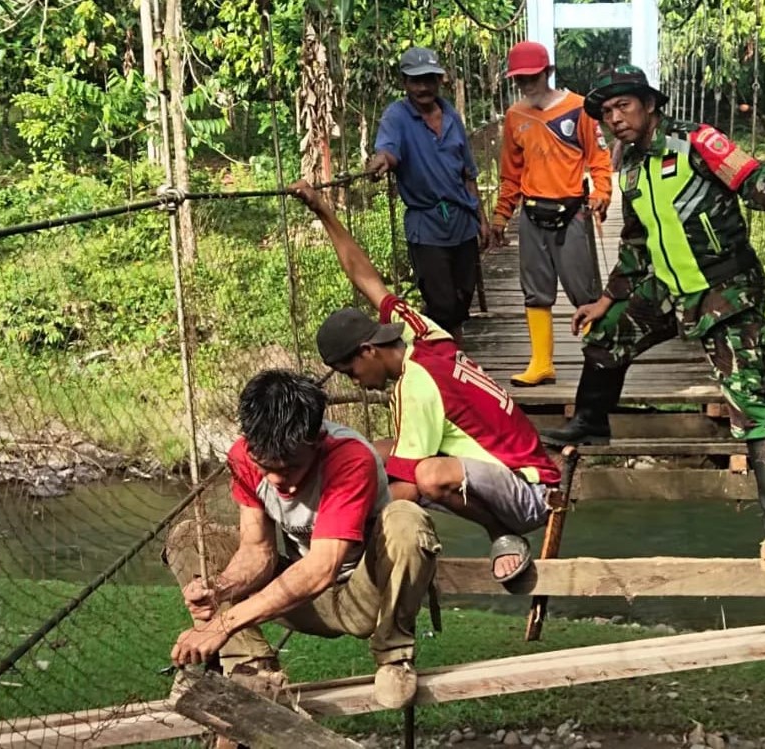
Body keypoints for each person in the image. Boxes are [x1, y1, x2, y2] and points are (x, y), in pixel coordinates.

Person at [542, 67, 765, 561]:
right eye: (606, 113)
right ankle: (590, 420)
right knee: (605, 333)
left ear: (649, 104)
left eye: (623, 106)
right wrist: (607, 300)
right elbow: (635, 241)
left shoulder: (695, 142)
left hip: (724, 289)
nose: (614, 119)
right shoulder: (627, 165)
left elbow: (749, 175)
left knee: (752, 410)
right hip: (668, 288)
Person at [289, 179, 560, 584]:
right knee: (360, 449)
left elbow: (406, 489)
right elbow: (365, 277)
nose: (358, 383)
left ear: (368, 351)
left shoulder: (415, 388)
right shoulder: (418, 331)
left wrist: (336, 535)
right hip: (503, 465)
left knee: (426, 476)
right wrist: (322, 210)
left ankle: (501, 532)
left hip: (529, 492)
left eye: (352, 373)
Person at [166, 369, 440, 710]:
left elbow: (323, 567)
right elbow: (258, 551)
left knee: (406, 519)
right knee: (189, 537)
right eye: (269, 468)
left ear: (316, 440)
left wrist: (224, 623)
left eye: (293, 467)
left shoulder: (350, 457)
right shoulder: (243, 457)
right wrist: (219, 589)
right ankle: (251, 666)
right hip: (303, 601)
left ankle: (394, 657)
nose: (282, 483)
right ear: (251, 448)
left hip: (363, 597)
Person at [490, 40, 613, 388]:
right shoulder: (516, 116)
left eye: (532, 76)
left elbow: (600, 159)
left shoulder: (579, 109)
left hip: (572, 212)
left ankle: (599, 360)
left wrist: (602, 192)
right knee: (535, 291)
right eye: (519, 78)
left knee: (584, 290)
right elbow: (510, 173)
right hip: (531, 214)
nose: (526, 84)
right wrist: (502, 214)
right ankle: (541, 362)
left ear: (548, 73)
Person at [367, 46, 490, 347]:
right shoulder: (396, 116)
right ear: (404, 83)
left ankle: (450, 348)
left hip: (462, 219)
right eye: (415, 80)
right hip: (427, 224)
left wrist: (481, 219)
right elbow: (389, 149)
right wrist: (381, 161)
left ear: (439, 80)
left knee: (463, 294)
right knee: (440, 299)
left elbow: (468, 173)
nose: (423, 87)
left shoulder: (451, 114)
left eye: (429, 79)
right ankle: (442, 357)